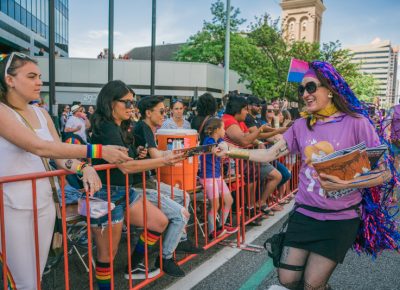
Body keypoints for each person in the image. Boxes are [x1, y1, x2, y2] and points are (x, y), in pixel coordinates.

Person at [218, 61, 396, 290]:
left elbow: (384, 172)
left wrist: (347, 182)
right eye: (301, 89)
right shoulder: (301, 125)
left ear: (330, 90)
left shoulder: (357, 123)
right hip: (304, 215)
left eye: (310, 87)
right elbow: (269, 154)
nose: (305, 94)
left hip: (340, 219)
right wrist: (231, 150)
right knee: (287, 279)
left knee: (313, 284)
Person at [0, 52, 131, 289]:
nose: (39, 82)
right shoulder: (1, 111)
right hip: (10, 207)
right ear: (10, 80)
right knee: (22, 281)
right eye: (31, 76)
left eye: (39, 76)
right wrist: (98, 151)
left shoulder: (41, 113)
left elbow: (58, 156)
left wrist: (83, 167)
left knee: (36, 275)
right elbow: (39, 146)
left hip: (44, 203)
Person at [90, 80, 187, 284]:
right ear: (110, 102)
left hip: (125, 191)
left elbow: (129, 161)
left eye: (132, 103)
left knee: (159, 222)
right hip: (107, 194)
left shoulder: (121, 127)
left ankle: (134, 265)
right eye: (126, 103)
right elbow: (125, 166)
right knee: (107, 255)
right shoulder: (106, 128)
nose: (131, 107)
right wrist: (163, 160)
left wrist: (140, 154)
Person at [133, 96, 204, 277]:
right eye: (162, 111)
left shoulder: (147, 127)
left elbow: (158, 154)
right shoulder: (143, 127)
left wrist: (180, 152)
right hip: (138, 184)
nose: (165, 114)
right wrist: (174, 155)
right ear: (148, 113)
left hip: (145, 181)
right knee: (180, 214)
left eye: (166, 111)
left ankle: (181, 240)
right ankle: (165, 258)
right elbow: (157, 156)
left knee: (184, 197)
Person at [199, 118, 238, 240]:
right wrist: (218, 149)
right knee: (215, 205)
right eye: (223, 128)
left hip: (217, 176)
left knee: (229, 200)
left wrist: (235, 148)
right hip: (208, 177)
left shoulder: (219, 139)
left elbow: (228, 145)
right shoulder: (209, 140)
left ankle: (221, 226)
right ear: (216, 130)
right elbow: (212, 149)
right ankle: (212, 231)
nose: (225, 130)